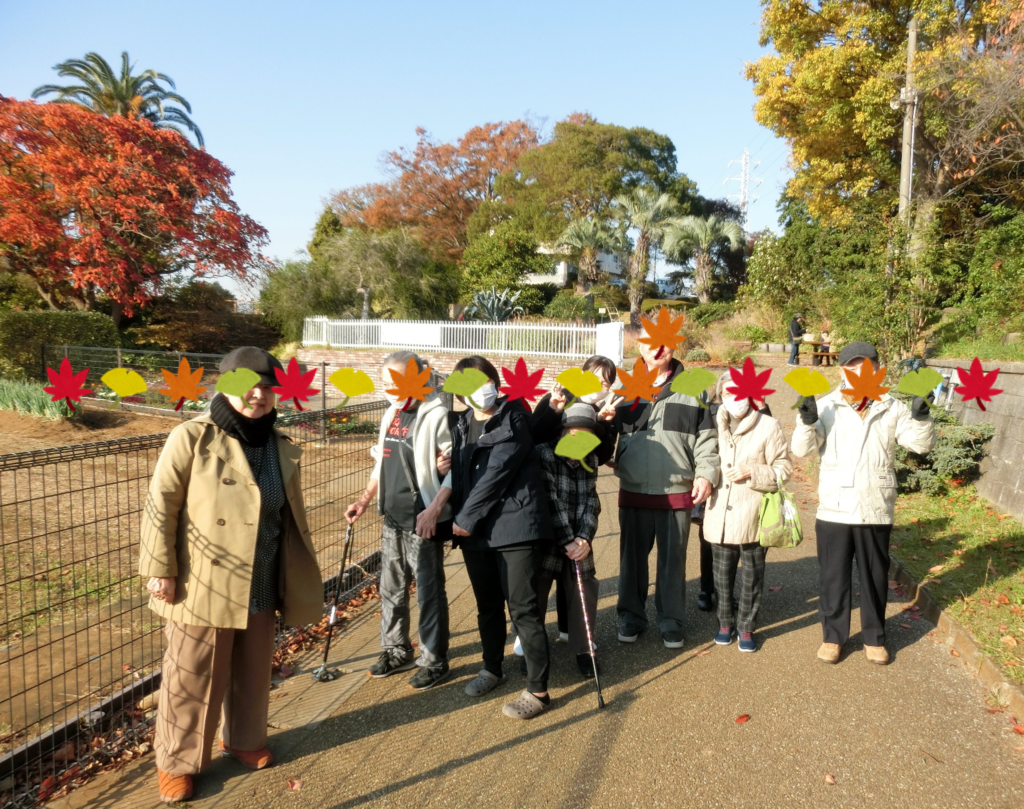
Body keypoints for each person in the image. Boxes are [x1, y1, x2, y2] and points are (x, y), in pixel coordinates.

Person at [139, 347, 323, 804]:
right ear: (224, 385)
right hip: (204, 577)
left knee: (252, 666)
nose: (257, 396)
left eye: (266, 387)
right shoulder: (192, 437)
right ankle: (176, 762)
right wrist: (160, 567)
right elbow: (161, 504)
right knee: (192, 673)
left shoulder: (279, 444)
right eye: (247, 386)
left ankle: (242, 739)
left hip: (261, 572)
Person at [792, 341, 935, 665]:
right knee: (833, 577)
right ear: (842, 369)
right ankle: (833, 637)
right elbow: (803, 450)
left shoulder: (892, 406)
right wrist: (806, 422)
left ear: (876, 366)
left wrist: (922, 416)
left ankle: (874, 637)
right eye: (852, 366)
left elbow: (919, 445)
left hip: (875, 504)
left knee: (874, 576)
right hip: (835, 505)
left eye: (865, 364)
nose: (858, 371)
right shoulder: (827, 405)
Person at [443, 356, 554, 719]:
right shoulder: (460, 423)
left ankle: (538, 690)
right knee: (487, 605)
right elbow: (464, 475)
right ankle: (492, 668)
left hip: (514, 526)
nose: (479, 388)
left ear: (495, 381)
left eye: (485, 379)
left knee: (523, 609)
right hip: (475, 532)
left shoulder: (515, 415)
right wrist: (445, 467)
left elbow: (498, 471)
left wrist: (465, 518)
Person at [599, 322, 720, 648]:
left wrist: (707, 473)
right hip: (634, 488)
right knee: (631, 564)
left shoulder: (694, 387)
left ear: (674, 347)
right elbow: (604, 437)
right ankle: (630, 617)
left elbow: (708, 439)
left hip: (677, 491)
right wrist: (604, 430)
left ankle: (671, 621)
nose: (657, 348)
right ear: (639, 347)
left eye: (665, 343)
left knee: (672, 564)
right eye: (650, 342)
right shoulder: (623, 387)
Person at [344, 351, 454, 691]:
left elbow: (455, 470)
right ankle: (396, 650)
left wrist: (435, 508)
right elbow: (381, 462)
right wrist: (364, 500)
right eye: (385, 380)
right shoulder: (391, 412)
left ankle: (434, 660)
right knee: (390, 588)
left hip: (422, 519)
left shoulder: (437, 414)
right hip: (390, 516)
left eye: (395, 380)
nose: (388, 387)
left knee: (428, 592)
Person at [526, 355, 617, 645]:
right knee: (540, 581)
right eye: (595, 377)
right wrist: (554, 411)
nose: (600, 385)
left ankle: (574, 636)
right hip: (548, 497)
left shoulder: (599, 410)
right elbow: (535, 435)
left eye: (606, 381)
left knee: (577, 578)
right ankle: (529, 639)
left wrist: (604, 424)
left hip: (578, 501)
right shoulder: (559, 396)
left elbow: (600, 457)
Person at [702, 373, 792, 652]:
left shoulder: (769, 425)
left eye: (739, 391)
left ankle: (746, 626)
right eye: (727, 393)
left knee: (753, 574)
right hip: (720, 512)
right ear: (720, 396)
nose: (734, 398)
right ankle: (725, 623)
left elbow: (784, 468)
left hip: (754, 512)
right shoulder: (711, 424)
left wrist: (752, 471)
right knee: (721, 574)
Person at [536, 403, 603, 679]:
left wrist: (584, 537)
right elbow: (550, 500)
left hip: (579, 538)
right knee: (536, 596)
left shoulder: (592, 460)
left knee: (584, 590)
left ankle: (584, 649)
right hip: (550, 538)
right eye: (574, 432)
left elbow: (592, 501)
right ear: (564, 430)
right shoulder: (544, 454)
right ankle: (533, 651)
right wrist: (568, 540)